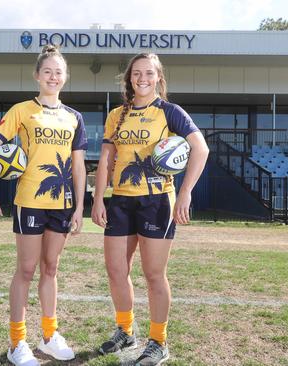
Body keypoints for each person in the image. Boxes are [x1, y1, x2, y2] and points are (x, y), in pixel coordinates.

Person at [91, 53, 209, 365]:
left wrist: (185, 193)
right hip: (121, 201)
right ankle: (126, 330)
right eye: (136, 74)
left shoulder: (169, 112)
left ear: (158, 78)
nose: (142, 79)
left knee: (154, 274)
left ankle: (158, 341)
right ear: (129, 79)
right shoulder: (116, 115)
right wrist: (98, 198)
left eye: (148, 73)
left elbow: (201, 148)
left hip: (157, 201)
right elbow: (106, 159)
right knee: (117, 270)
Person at [0, 44, 87, 366]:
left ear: (65, 78)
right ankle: (17, 343)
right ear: (37, 75)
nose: (53, 77)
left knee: (51, 268)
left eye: (59, 72)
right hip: (29, 201)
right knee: (26, 270)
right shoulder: (22, 111)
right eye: (48, 71)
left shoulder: (74, 118)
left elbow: (79, 166)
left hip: (62, 204)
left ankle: (50, 336)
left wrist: (80, 206)